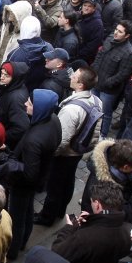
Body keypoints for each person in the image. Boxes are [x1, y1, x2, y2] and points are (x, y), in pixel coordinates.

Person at [35, 67, 102, 226]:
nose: (71, 76)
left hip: (65, 155)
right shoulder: (97, 100)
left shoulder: (72, 110)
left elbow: (62, 139)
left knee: (54, 186)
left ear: (80, 85)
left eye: (75, 76)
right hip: (78, 151)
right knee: (67, 181)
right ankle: (60, 211)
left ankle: (47, 217)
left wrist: (52, 154)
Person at [8, 89, 61, 259]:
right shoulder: (53, 119)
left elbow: (29, 173)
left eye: (30, 103)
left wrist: (11, 164)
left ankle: (13, 250)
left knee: (17, 217)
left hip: (23, 184)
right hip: (40, 177)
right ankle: (22, 242)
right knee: (27, 210)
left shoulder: (34, 140)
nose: (25, 104)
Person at [92, 20, 132, 138]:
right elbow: (99, 56)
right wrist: (94, 71)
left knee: (105, 113)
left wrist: (108, 82)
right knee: (93, 107)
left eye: (120, 32)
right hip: (96, 82)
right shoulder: (110, 39)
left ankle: (102, 135)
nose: (116, 33)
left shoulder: (129, 53)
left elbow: (123, 74)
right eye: (116, 29)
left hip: (108, 90)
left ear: (127, 36)